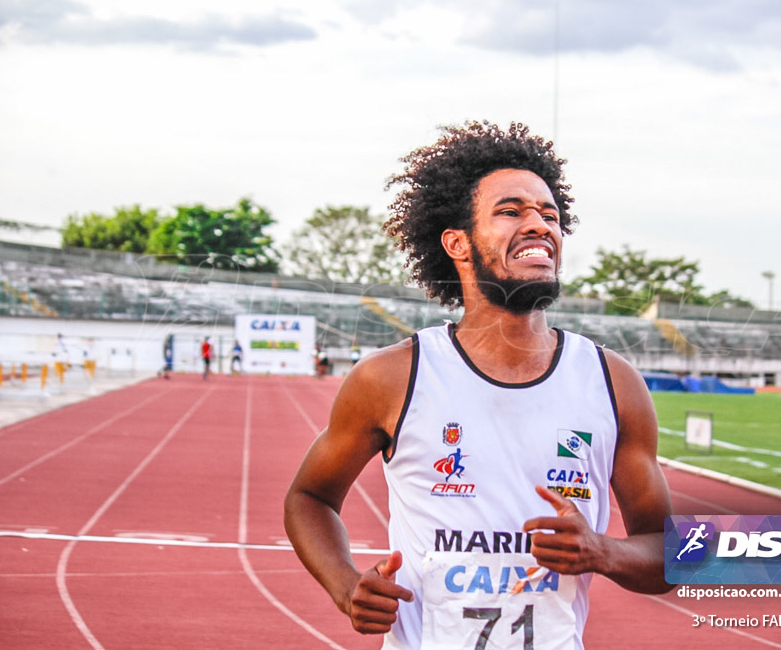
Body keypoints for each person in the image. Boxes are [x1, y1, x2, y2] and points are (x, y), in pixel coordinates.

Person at [284, 121, 673, 650]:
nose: (539, 225)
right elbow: (309, 497)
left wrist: (603, 551)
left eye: (550, 214)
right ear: (458, 243)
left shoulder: (612, 383)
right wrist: (345, 584)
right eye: (511, 211)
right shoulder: (392, 377)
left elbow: (671, 554)